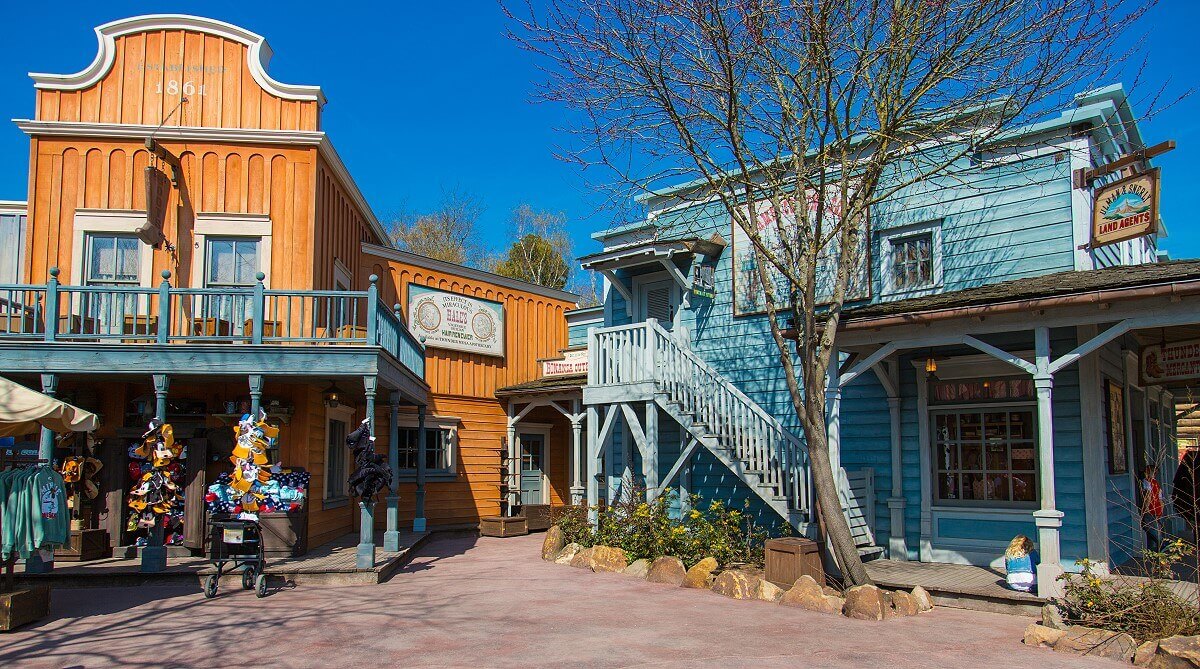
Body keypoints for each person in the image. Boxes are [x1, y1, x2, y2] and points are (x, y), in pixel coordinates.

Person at [1173, 450, 1200, 537]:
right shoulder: (1191, 458)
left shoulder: (1191, 458)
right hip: (1192, 502)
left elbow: (1178, 482)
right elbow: (1179, 482)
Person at [1141, 465, 1165, 552]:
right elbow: (1160, 497)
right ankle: (1151, 550)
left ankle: (1162, 543)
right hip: (1157, 508)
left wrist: (1146, 508)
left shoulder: (1147, 482)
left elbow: (1148, 495)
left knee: (1149, 527)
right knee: (1155, 528)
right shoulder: (1156, 483)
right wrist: (1161, 509)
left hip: (1151, 508)